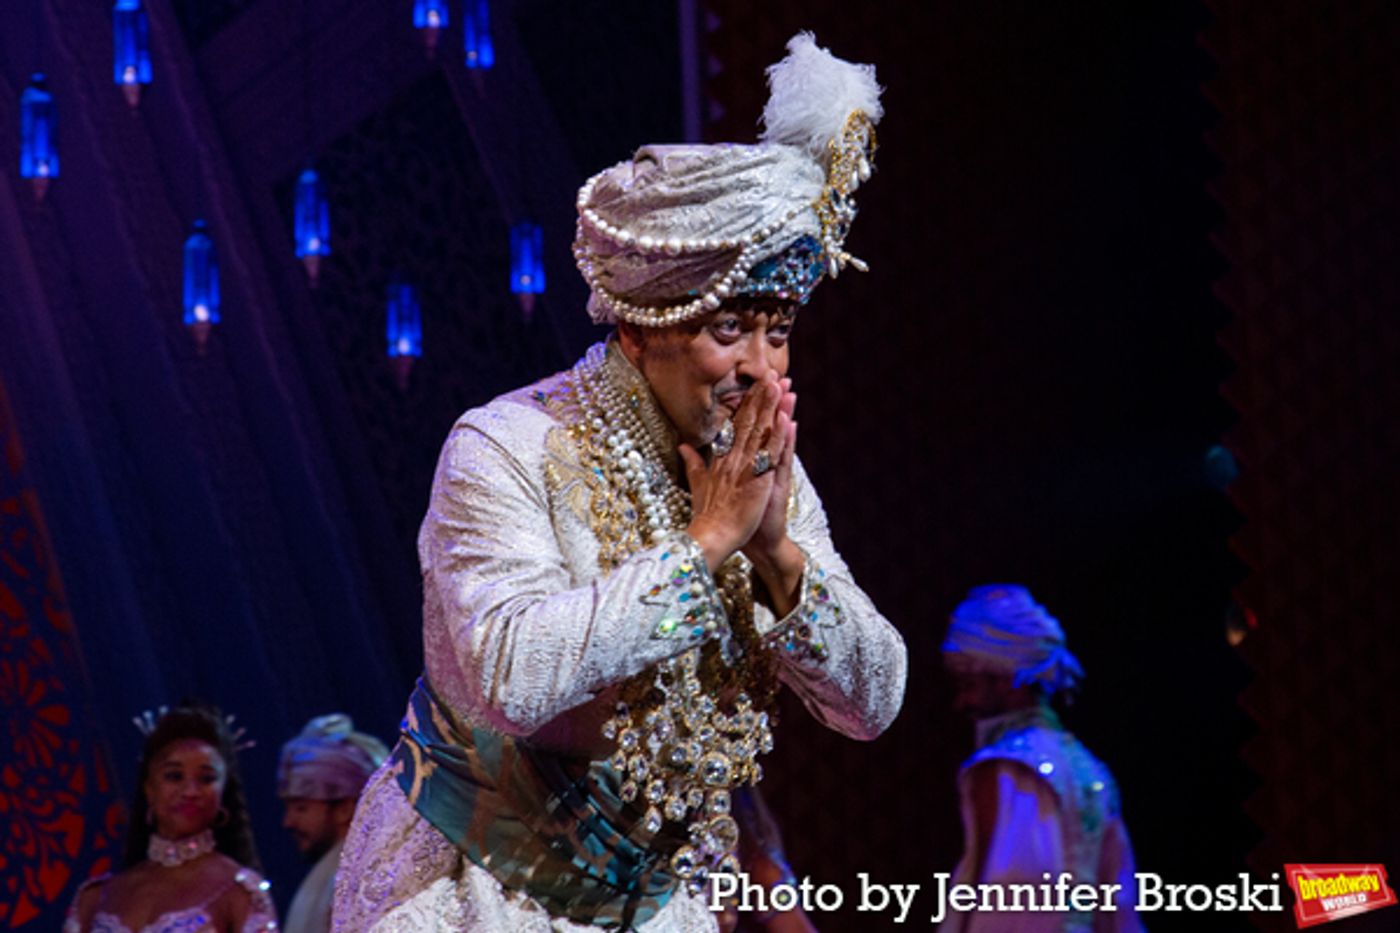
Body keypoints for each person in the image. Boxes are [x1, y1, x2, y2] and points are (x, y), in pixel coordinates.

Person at [333, 32, 907, 933]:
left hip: (655, 905)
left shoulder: (761, 476)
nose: (761, 367)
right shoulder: (506, 445)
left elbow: (874, 702)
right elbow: (510, 676)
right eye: (728, 330)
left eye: (779, 331)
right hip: (477, 890)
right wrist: (703, 548)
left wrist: (779, 556)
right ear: (640, 328)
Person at [939, 585, 1144, 933]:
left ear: (1008, 681)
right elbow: (1121, 911)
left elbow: (1010, 898)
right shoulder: (1089, 768)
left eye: (967, 685)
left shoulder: (1009, 767)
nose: (961, 703)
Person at [63, 703, 278, 933]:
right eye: (174, 776)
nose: (190, 791)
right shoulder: (95, 897)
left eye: (206, 779)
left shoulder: (240, 892)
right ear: (149, 789)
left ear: (223, 792)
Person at [277, 715, 388, 933]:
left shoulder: (368, 876)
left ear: (344, 809)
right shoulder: (326, 879)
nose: (288, 822)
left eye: (301, 808)